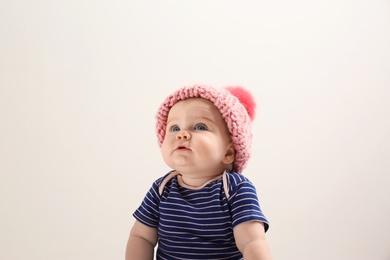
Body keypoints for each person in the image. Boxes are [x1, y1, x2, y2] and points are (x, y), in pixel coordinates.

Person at [125, 85, 272, 259]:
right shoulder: (162, 188)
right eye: (174, 128)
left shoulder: (234, 189)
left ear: (229, 152)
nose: (182, 134)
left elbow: (251, 242)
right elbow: (141, 237)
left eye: (200, 127)